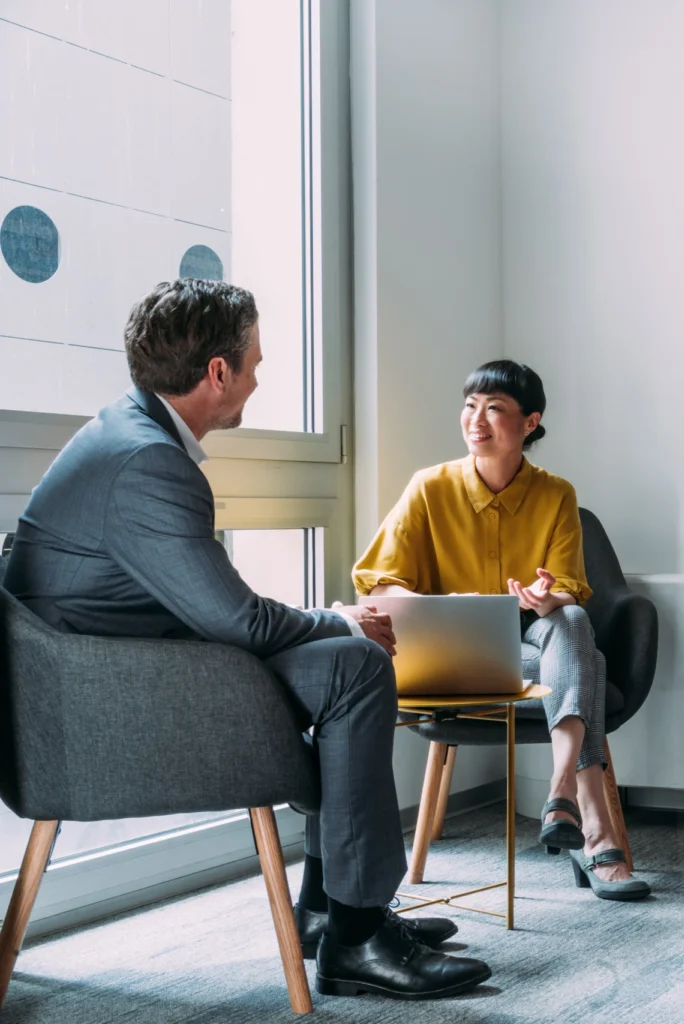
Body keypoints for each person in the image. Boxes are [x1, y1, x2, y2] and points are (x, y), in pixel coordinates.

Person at [3, 279, 492, 1001]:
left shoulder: (126, 432)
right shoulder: (148, 462)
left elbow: (215, 608)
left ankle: (333, 913)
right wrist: (341, 618)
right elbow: (236, 622)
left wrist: (332, 624)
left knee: (347, 663)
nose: (260, 377)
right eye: (255, 363)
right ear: (218, 373)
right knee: (354, 663)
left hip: (111, 672)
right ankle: (356, 935)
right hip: (105, 703)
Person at [353, 359, 650, 901]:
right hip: (459, 652)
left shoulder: (556, 493)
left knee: (575, 620)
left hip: (535, 637)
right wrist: (443, 605)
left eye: (495, 408)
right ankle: (592, 824)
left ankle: (560, 788)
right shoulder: (428, 489)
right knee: (589, 666)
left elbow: (569, 590)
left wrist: (545, 596)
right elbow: (377, 587)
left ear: (530, 422)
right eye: (470, 405)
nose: (477, 419)